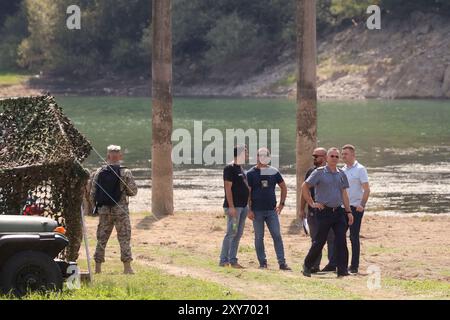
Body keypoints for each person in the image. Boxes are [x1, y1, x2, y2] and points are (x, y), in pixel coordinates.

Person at [301, 147, 354, 278]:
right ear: (327, 158)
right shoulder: (319, 172)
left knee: (341, 240)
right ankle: (307, 266)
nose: (335, 158)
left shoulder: (341, 173)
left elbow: (344, 193)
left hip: (339, 212)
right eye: (332, 156)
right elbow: (305, 186)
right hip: (323, 212)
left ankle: (342, 270)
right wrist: (312, 203)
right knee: (319, 241)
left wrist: (348, 212)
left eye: (337, 156)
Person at [92, 145, 138, 274]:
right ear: (120, 156)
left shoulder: (99, 172)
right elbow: (133, 191)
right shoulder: (125, 172)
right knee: (124, 238)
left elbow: (92, 193)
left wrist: (97, 206)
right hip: (121, 210)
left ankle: (98, 268)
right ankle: (127, 268)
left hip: (104, 210)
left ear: (108, 156)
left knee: (101, 238)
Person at [247, 147, 291, 271]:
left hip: (272, 210)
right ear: (257, 157)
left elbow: (283, 187)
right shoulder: (250, 173)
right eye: (261, 155)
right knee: (259, 237)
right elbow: (248, 193)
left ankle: (282, 263)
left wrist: (281, 204)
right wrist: (249, 210)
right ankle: (262, 263)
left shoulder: (274, 171)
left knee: (277, 235)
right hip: (256, 211)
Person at [299, 147, 336, 273]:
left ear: (325, 157)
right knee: (316, 239)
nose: (314, 158)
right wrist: (302, 208)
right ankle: (314, 265)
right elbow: (304, 191)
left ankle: (332, 264)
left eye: (316, 156)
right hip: (313, 212)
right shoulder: (311, 172)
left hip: (329, 211)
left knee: (331, 238)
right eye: (313, 156)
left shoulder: (333, 171)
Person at [219, 145, 250, 268]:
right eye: (246, 153)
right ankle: (223, 260)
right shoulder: (229, 168)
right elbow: (228, 188)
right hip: (234, 208)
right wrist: (231, 207)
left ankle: (233, 260)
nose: (247, 156)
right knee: (231, 232)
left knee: (238, 233)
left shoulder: (242, 169)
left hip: (243, 207)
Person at [341, 144, 370, 274]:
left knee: (353, 237)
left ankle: (354, 266)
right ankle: (342, 264)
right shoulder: (342, 169)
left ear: (353, 155)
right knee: (340, 236)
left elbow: (367, 189)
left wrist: (362, 205)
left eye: (345, 154)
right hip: (344, 207)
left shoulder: (360, 169)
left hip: (356, 208)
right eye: (342, 154)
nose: (343, 156)